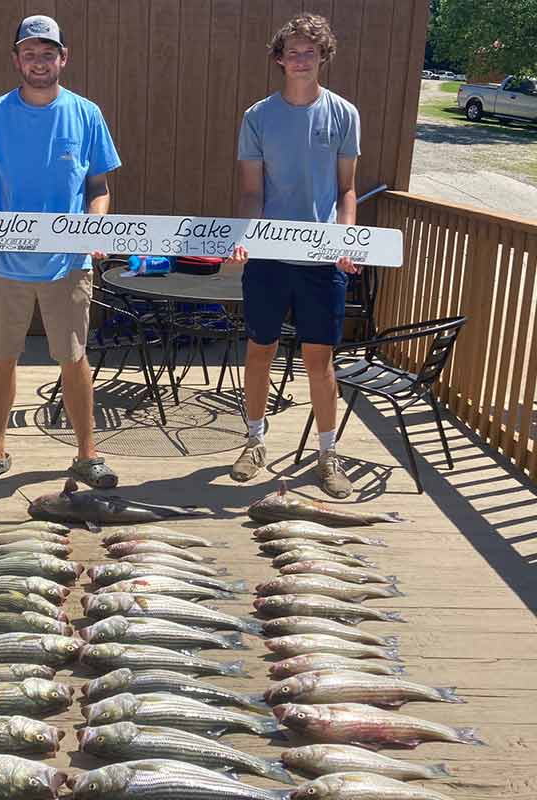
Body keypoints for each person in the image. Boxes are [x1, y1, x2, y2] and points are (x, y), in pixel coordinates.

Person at [0, 15, 121, 490]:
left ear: (63, 57)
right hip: (6, 266)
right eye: (30, 53)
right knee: (1, 356)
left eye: (48, 52)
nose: (40, 61)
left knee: (73, 358)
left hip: (69, 264)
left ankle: (86, 454)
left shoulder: (87, 114)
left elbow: (98, 186)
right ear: (16, 59)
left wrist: (95, 226)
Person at [227, 13, 361, 498]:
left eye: (311, 51)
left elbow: (347, 190)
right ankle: (254, 442)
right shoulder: (257, 116)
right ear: (279, 59)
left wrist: (346, 240)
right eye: (292, 52)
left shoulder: (345, 114)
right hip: (266, 259)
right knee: (259, 349)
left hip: (322, 261)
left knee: (319, 360)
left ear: (323, 57)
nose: (301, 59)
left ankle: (328, 455)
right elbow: (249, 193)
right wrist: (245, 234)